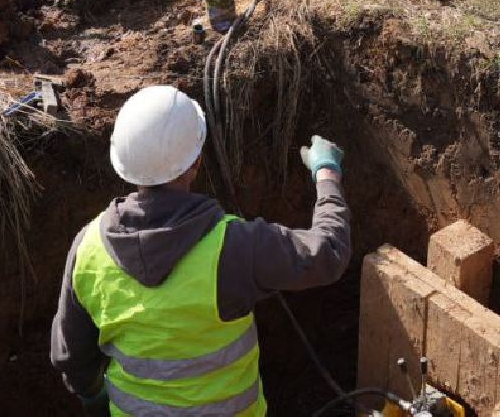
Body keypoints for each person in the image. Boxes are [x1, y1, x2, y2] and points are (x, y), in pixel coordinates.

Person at [50, 86, 351, 414]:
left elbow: (72, 358)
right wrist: (327, 174)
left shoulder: (87, 249)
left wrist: (95, 399)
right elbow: (328, 252)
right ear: (196, 161)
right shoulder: (235, 247)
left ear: (123, 164)